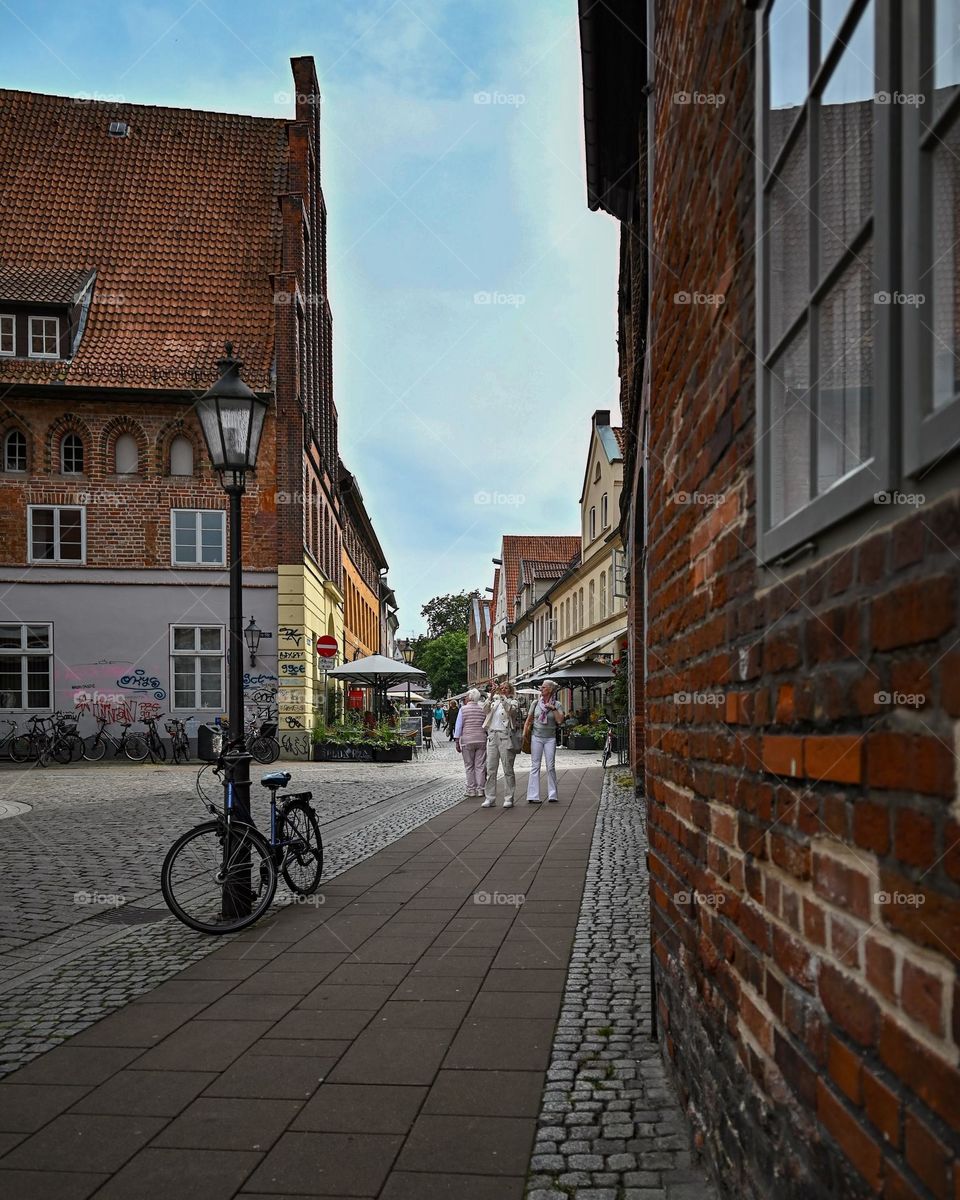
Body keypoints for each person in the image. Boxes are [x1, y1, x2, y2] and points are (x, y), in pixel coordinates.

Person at [524, 679, 565, 804]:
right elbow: (529, 720)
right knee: (535, 766)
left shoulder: (557, 705)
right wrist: (524, 734)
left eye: (544, 687)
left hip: (550, 738)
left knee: (550, 766)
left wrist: (553, 709)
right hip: (536, 737)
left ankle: (552, 795)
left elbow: (559, 721)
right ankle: (533, 795)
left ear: (550, 690)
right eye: (541, 688)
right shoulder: (535, 703)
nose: (541, 689)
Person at [482, 679, 520, 808]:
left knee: (507, 768)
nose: (503, 690)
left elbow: (510, 711)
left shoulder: (513, 702)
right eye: (501, 688)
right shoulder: (495, 701)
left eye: (506, 688)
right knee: (491, 768)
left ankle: (509, 797)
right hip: (493, 736)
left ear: (510, 691)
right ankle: (490, 797)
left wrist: (503, 698)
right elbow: (485, 711)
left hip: (505, 737)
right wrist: (491, 696)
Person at [454, 688, 487, 798]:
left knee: (469, 766)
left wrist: (457, 741)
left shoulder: (463, 709)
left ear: (469, 697)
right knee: (480, 766)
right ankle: (481, 789)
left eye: (466, 697)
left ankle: (471, 790)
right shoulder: (482, 708)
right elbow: (486, 724)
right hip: (481, 739)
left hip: (467, 740)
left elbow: (458, 726)